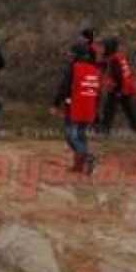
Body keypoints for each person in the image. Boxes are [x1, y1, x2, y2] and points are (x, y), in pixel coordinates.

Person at [53, 43, 101, 174]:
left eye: (71, 53)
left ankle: (87, 156)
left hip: (75, 106)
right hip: (89, 108)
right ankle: (78, 166)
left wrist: (56, 104)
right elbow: (98, 93)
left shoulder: (74, 68)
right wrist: (96, 111)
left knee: (70, 136)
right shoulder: (95, 69)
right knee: (81, 136)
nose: (69, 55)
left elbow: (64, 87)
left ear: (76, 55)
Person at [100, 37, 136, 134]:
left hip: (119, 88)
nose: (103, 48)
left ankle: (105, 130)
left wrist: (118, 91)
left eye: (105, 46)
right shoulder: (119, 57)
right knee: (128, 108)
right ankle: (135, 128)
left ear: (109, 47)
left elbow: (118, 76)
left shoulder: (114, 60)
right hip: (125, 88)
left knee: (109, 109)